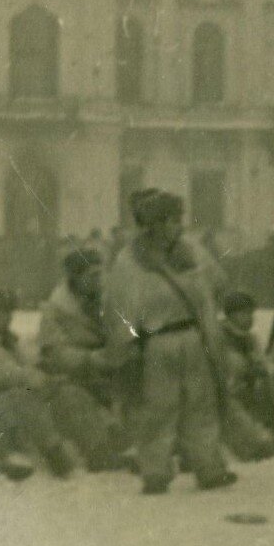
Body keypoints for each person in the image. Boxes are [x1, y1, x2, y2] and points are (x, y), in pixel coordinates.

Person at [103, 189, 235, 495]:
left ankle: (205, 467)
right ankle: (158, 471)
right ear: (154, 223)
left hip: (183, 337)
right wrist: (130, 344)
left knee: (199, 404)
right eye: (171, 220)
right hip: (159, 341)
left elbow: (218, 282)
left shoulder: (182, 252)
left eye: (177, 220)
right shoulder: (139, 258)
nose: (177, 226)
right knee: (161, 407)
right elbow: (119, 307)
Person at [0, 285, 82, 484]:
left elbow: (17, 366)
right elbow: (0, 371)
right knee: (23, 398)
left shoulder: (6, 339)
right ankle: (54, 451)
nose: (7, 317)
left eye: (8, 311)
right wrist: (32, 377)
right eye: (0, 312)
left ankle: (89, 445)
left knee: (62, 393)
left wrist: (39, 374)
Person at [36, 247, 136, 471]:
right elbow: (54, 353)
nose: (98, 281)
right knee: (73, 397)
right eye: (91, 276)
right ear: (75, 278)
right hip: (72, 374)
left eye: (100, 274)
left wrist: (125, 347)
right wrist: (91, 359)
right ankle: (98, 451)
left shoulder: (105, 299)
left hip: (105, 369)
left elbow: (124, 330)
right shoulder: (56, 309)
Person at [216, 291, 274, 459]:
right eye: (244, 314)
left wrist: (273, 373)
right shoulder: (219, 336)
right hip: (226, 393)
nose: (250, 318)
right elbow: (229, 368)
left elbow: (264, 363)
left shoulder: (250, 338)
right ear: (231, 315)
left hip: (247, 390)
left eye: (251, 313)